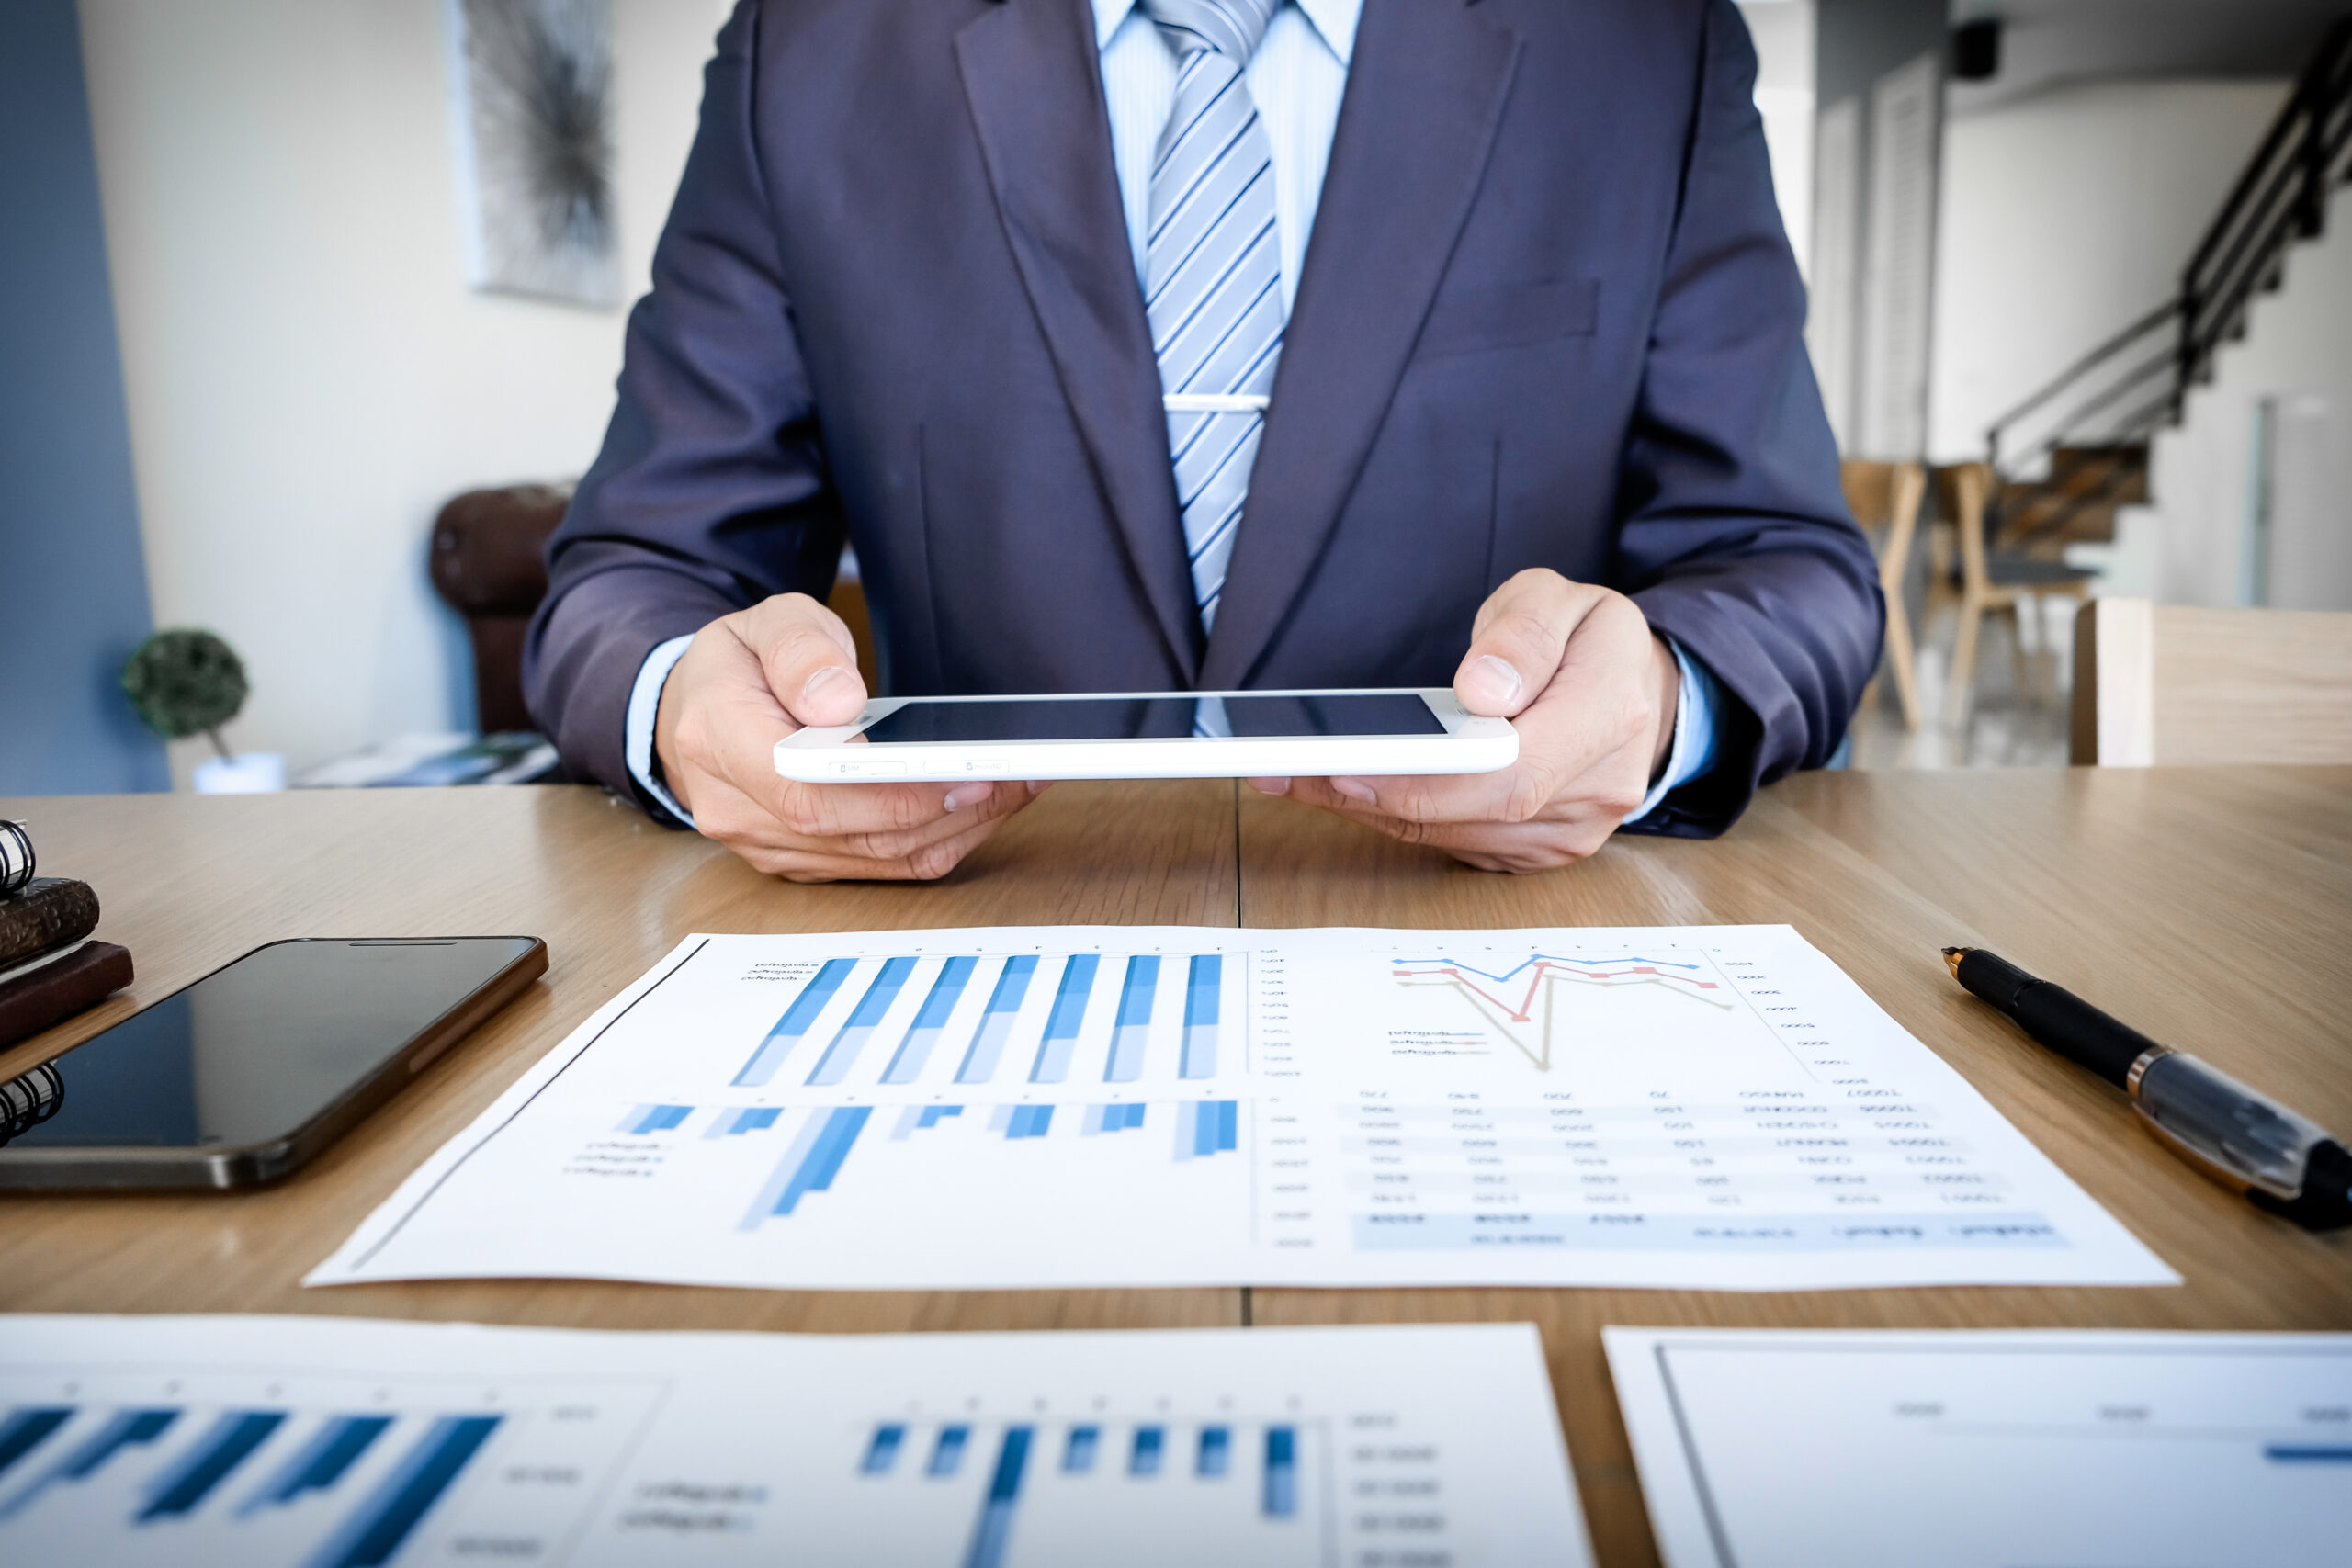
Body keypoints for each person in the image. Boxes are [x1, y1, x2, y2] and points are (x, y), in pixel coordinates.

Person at [526, 0, 1882, 883]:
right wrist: (682, 704)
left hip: (1491, 954)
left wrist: (1657, 701)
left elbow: (1787, 565)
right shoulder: (808, 48)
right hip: (984, 952)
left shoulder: (1645, 45)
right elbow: (630, 576)